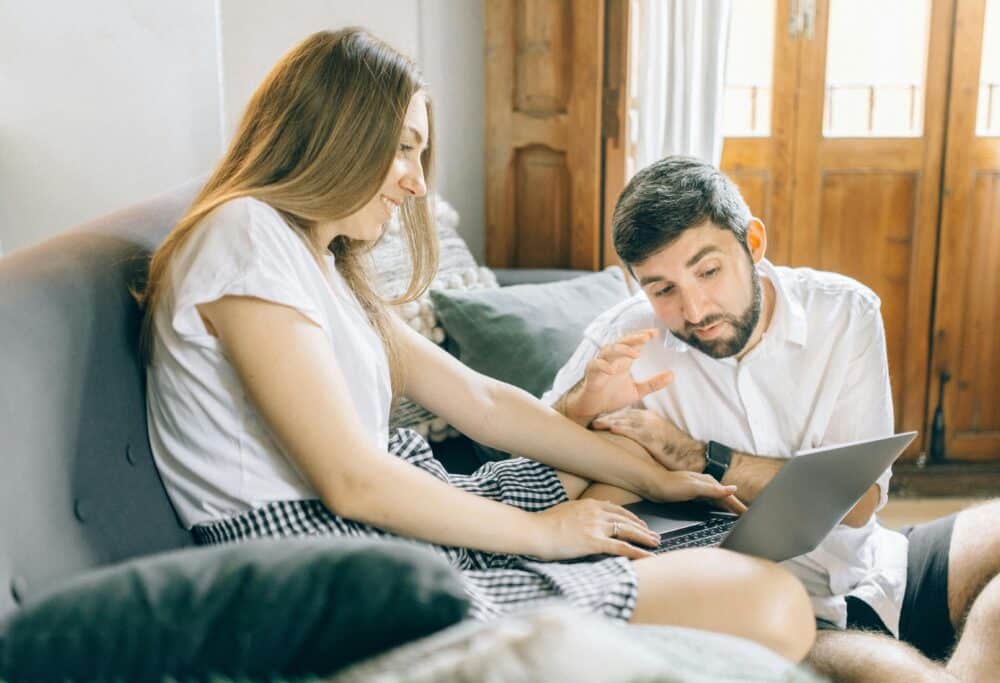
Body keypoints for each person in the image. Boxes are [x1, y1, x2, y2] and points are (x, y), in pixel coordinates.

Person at [137, 29, 815, 661]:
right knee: (774, 603)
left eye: (416, 153)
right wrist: (548, 532)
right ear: (335, 130)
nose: (416, 182)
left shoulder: (321, 260)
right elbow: (351, 480)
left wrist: (651, 475)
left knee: (632, 481)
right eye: (401, 147)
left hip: (378, 534)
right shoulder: (244, 235)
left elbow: (479, 399)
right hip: (322, 568)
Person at [544, 155, 1000, 681]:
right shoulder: (623, 340)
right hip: (788, 620)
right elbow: (524, 462)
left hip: (881, 564)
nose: (696, 309)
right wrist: (579, 406)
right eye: (663, 290)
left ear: (752, 243)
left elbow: (858, 507)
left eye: (708, 271)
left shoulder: (845, 313)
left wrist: (696, 454)